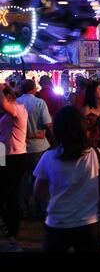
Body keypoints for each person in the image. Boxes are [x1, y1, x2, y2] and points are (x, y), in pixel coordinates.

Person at [33, 106, 100, 252]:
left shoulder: (48, 157)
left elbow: (38, 191)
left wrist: (50, 206)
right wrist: (95, 205)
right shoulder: (95, 154)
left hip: (57, 223)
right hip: (88, 223)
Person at [17, 79, 52, 216]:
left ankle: (23, 207)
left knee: (24, 178)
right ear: (33, 89)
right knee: (41, 178)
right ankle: (41, 207)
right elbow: (47, 124)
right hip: (39, 146)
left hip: (21, 146)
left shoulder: (16, 103)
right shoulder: (39, 103)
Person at [0, 85, 28, 252]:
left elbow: (4, 104)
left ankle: (12, 237)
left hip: (15, 157)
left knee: (9, 197)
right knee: (10, 198)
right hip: (4, 154)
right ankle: (11, 237)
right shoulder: (5, 114)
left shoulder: (19, 109)